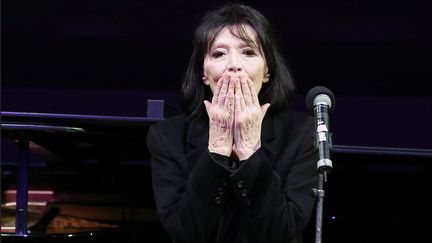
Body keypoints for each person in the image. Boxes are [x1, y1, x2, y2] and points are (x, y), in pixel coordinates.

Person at [146, 3, 318, 243]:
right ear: (204, 74)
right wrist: (217, 148)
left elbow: (281, 231)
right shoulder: (166, 136)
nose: (234, 65)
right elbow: (184, 232)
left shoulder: (301, 133)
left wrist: (249, 151)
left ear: (267, 70)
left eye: (248, 52)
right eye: (218, 53)